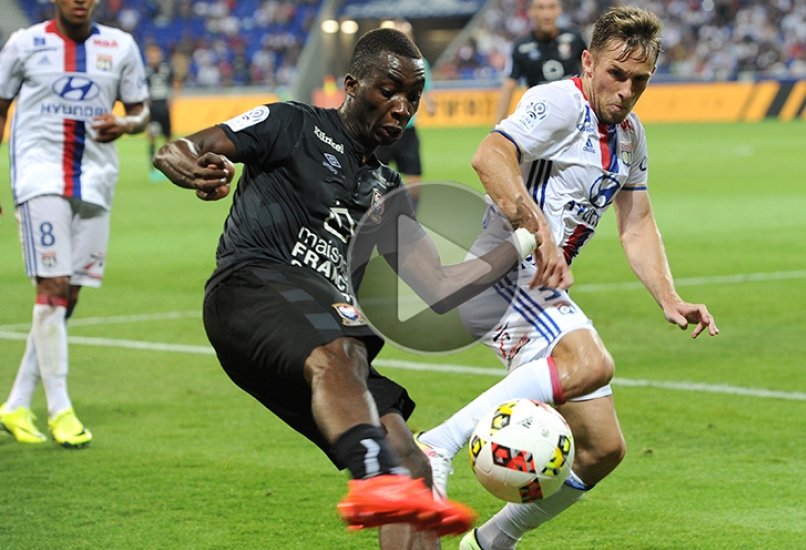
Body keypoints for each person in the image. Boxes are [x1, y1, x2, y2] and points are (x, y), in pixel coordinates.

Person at [152, 28, 539, 547]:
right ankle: (372, 476)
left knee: (412, 464)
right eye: (390, 90)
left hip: (316, 332)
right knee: (344, 349)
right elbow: (182, 148)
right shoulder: (291, 123)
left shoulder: (386, 188)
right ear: (352, 84)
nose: (402, 108)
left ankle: (386, 477)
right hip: (249, 289)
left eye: (413, 99)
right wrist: (190, 167)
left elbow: (441, 286)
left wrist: (520, 242)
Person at [414, 8, 719, 549]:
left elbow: (637, 223)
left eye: (640, 81)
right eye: (616, 74)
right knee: (591, 360)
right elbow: (489, 156)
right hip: (502, 272)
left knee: (603, 449)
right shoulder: (559, 101)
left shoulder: (629, 135)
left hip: (539, 286)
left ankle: (491, 542)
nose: (626, 90)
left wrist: (669, 296)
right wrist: (540, 231)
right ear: (588, 61)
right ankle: (437, 446)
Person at [0, 0, 149, 448]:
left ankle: (15, 404)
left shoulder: (119, 45)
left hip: (97, 181)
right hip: (39, 176)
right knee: (53, 285)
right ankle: (60, 409)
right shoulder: (24, 44)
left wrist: (125, 123)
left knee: (70, 294)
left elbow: (142, 112)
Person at [492, 0, 587, 126]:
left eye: (551, 7)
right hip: (540, 120)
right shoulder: (521, 47)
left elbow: (591, 72)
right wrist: (497, 127)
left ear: (560, 10)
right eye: (541, 8)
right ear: (531, 11)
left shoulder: (575, 38)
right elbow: (508, 87)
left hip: (575, 117)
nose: (547, 14)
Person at [375, 21, 436, 204]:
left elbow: (426, 88)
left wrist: (431, 104)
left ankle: (409, 217)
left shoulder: (420, 63)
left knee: (414, 177)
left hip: (406, 130)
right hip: (382, 129)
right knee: (374, 178)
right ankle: (378, 218)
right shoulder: (379, 63)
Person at [144, 43, 182, 182]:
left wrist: (173, 98)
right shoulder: (145, 70)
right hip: (152, 108)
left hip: (164, 107)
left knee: (168, 138)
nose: (153, 57)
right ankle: (152, 170)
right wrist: (144, 100)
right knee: (152, 136)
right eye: (151, 55)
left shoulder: (166, 68)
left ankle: (170, 167)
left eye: (156, 54)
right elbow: (139, 86)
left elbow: (176, 81)